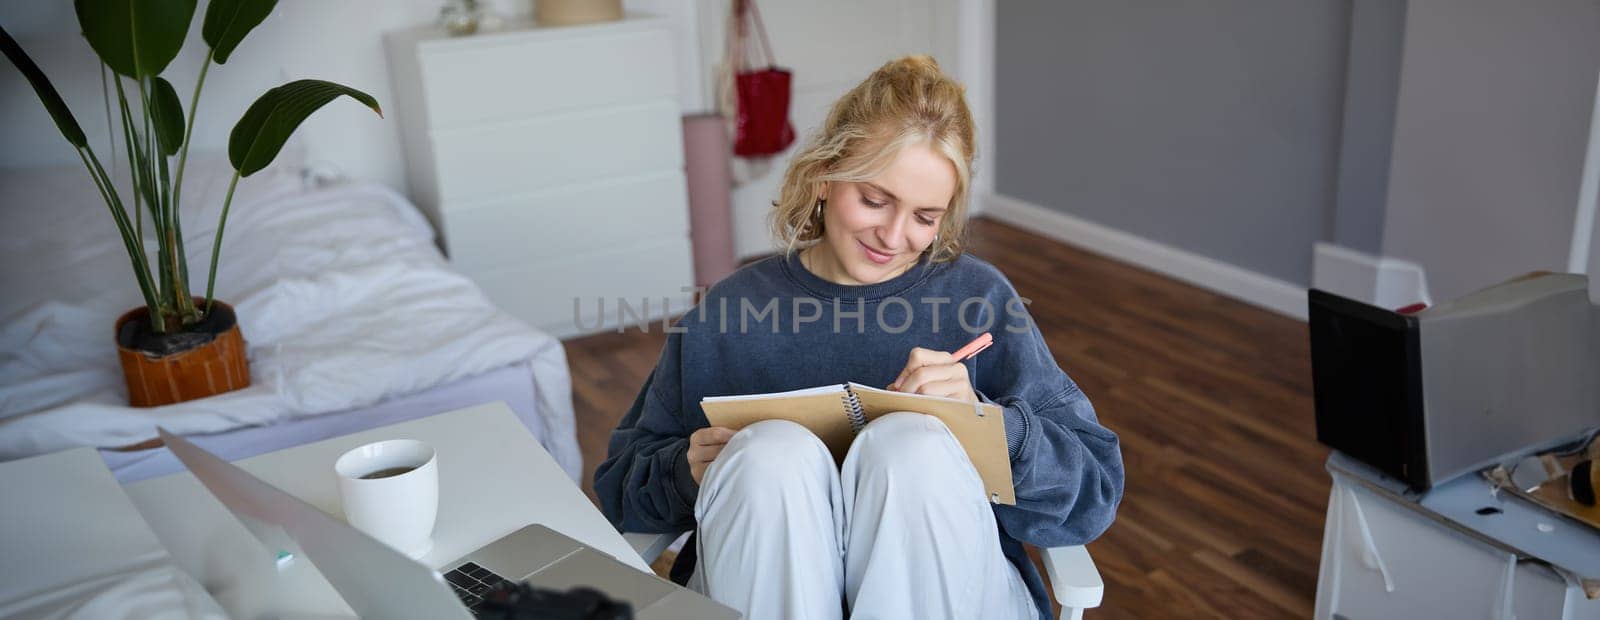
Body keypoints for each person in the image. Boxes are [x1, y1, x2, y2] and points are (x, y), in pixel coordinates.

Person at [593, 55, 1123, 620]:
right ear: (824, 176)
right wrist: (685, 471)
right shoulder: (730, 311)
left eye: (925, 217)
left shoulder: (979, 299)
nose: (894, 236)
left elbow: (1093, 492)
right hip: (758, 591)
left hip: (950, 589)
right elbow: (622, 487)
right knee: (770, 455)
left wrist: (990, 426)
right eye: (874, 200)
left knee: (912, 448)